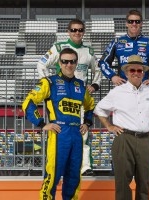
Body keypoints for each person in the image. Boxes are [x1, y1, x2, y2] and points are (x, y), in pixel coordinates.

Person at [99, 9, 149, 175]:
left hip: (144, 90)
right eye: (131, 21)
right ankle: (118, 165)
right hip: (124, 91)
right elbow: (103, 62)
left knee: (147, 127)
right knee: (122, 128)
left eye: (137, 21)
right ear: (126, 23)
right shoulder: (117, 42)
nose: (134, 24)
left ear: (141, 23)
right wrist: (113, 76)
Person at [22, 48, 95, 199]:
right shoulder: (49, 82)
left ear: (76, 63)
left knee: (74, 176)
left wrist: (87, 123)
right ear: (59, 63)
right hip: (58, 134)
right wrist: (42, 124)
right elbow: (28, 102)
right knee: (53, 175)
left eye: (72, 61)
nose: (69, 65)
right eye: (65, 61)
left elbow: (90, 106)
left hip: (76, 135)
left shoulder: (81, 86)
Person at [37, 18, 100, 176]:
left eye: (80, 30)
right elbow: (41, 64)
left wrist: (94, 85)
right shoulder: (58, 47)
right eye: (74, 30)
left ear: (84, 32)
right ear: (68, 32)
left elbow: (98, 71)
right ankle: (57, 166)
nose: (77, 33)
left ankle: (85, 167)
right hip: (60, 97)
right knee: (59, 131)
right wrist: (48, 84)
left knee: (82, 131)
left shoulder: (89, 51)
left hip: (79, 97)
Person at [95, 55, 149, 200]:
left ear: (143, 72)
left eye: (139, 70)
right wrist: (109, 126)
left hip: (146, 140)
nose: (136, 73)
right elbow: (99, 109)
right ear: (126, 72)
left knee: (144, 182)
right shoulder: (117, 92)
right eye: (132, 70)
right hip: (124, 139)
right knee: (122, 183)